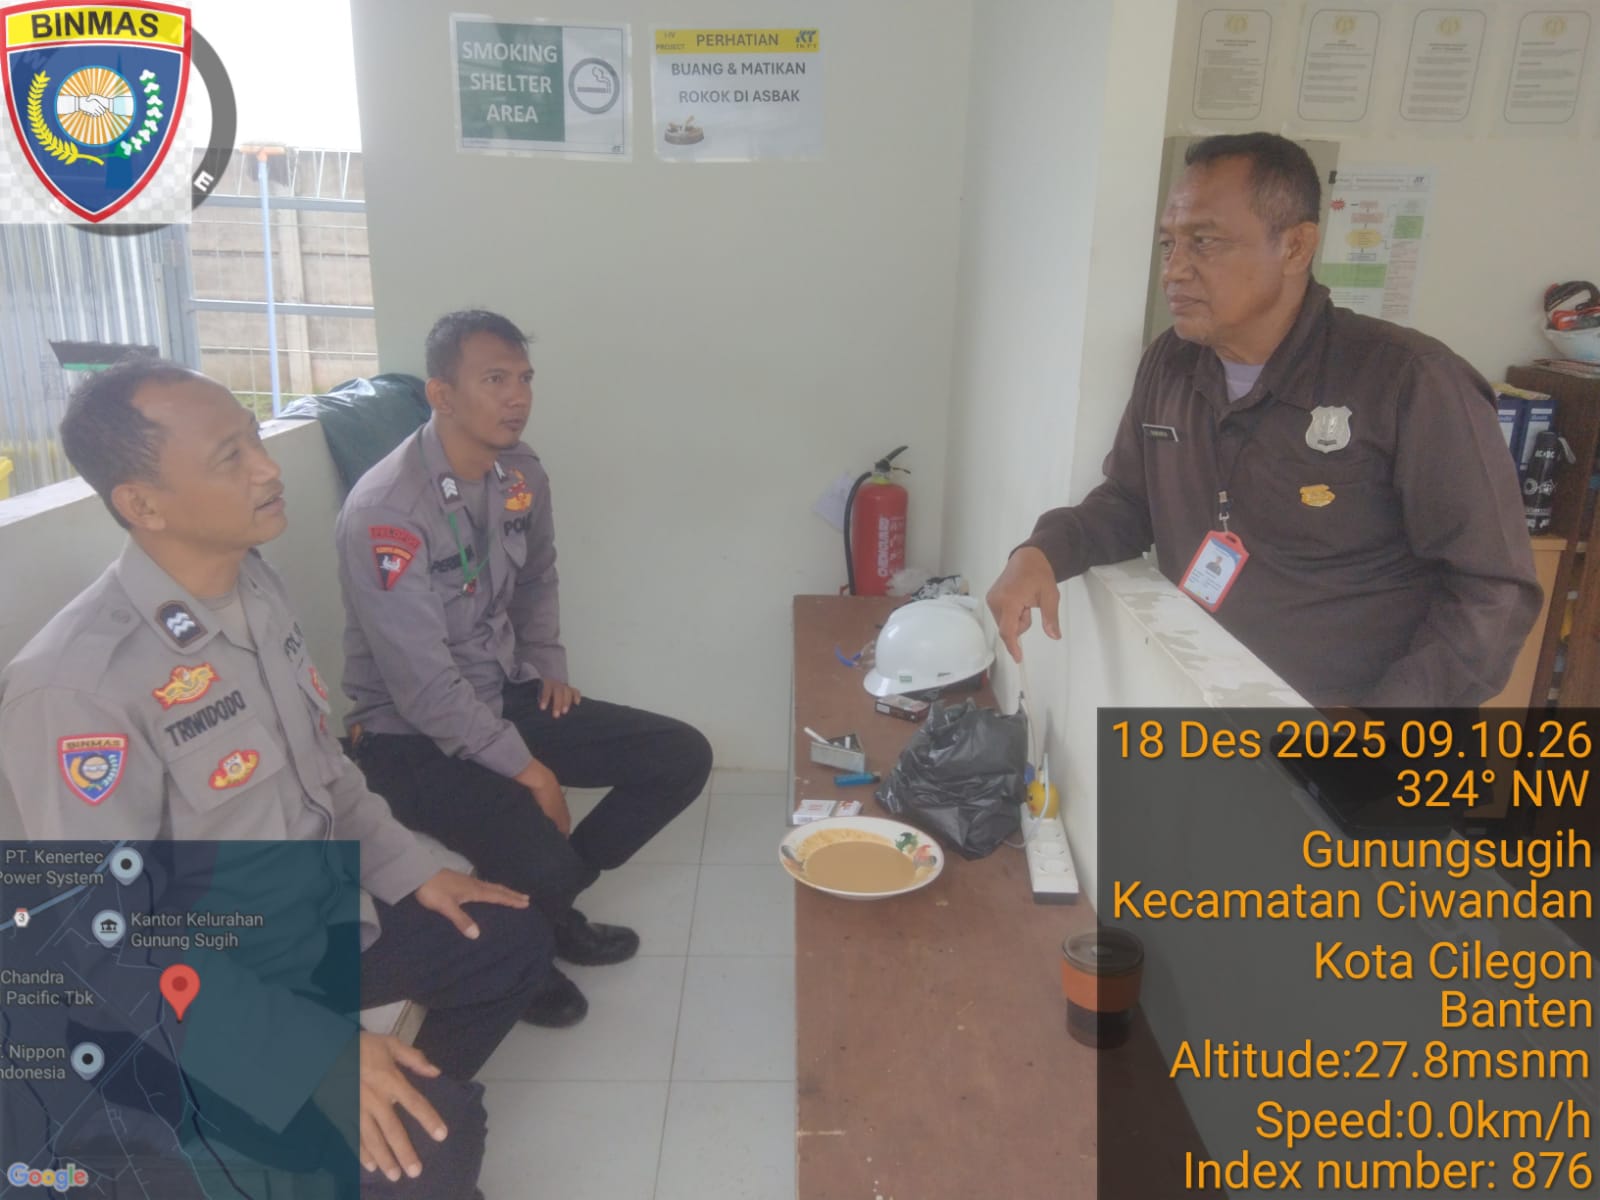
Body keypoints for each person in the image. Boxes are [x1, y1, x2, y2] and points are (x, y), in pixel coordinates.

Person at [0, 358, 554, 1199]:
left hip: (309, 929)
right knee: (441, 1151)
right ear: (143, 505)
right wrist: (311, 1056)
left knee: (511, 941)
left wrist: (414, 870)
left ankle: (381, 1117)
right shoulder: (77, 688)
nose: (268, 468)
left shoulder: (254, 585)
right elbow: (108, 944)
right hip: (193, 1001)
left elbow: (323, 768)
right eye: (232, 456)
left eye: (257, 439)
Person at [987, 133, 1540, 708]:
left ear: (1297, 247)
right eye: (1169, 243)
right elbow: (1130, 501)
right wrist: (1043, 551)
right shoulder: (1172, 362)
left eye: (1205, 242)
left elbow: (1494, 590)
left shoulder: (1409, 380)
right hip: (1202, 699)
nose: (1174, 270)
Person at [336, 310, 714, 1027]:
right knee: (540, 849)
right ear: (441, 394)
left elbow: (537, 576)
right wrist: (530, 770)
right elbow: (422, 688)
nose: (518, 397)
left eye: (524, 378)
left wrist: (543, 662)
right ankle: (533, 940)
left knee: (681, 756)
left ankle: (549, 905)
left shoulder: (520, 472)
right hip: (408, 737)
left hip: (501, 691)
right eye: (494, 380)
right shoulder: (387, 513)